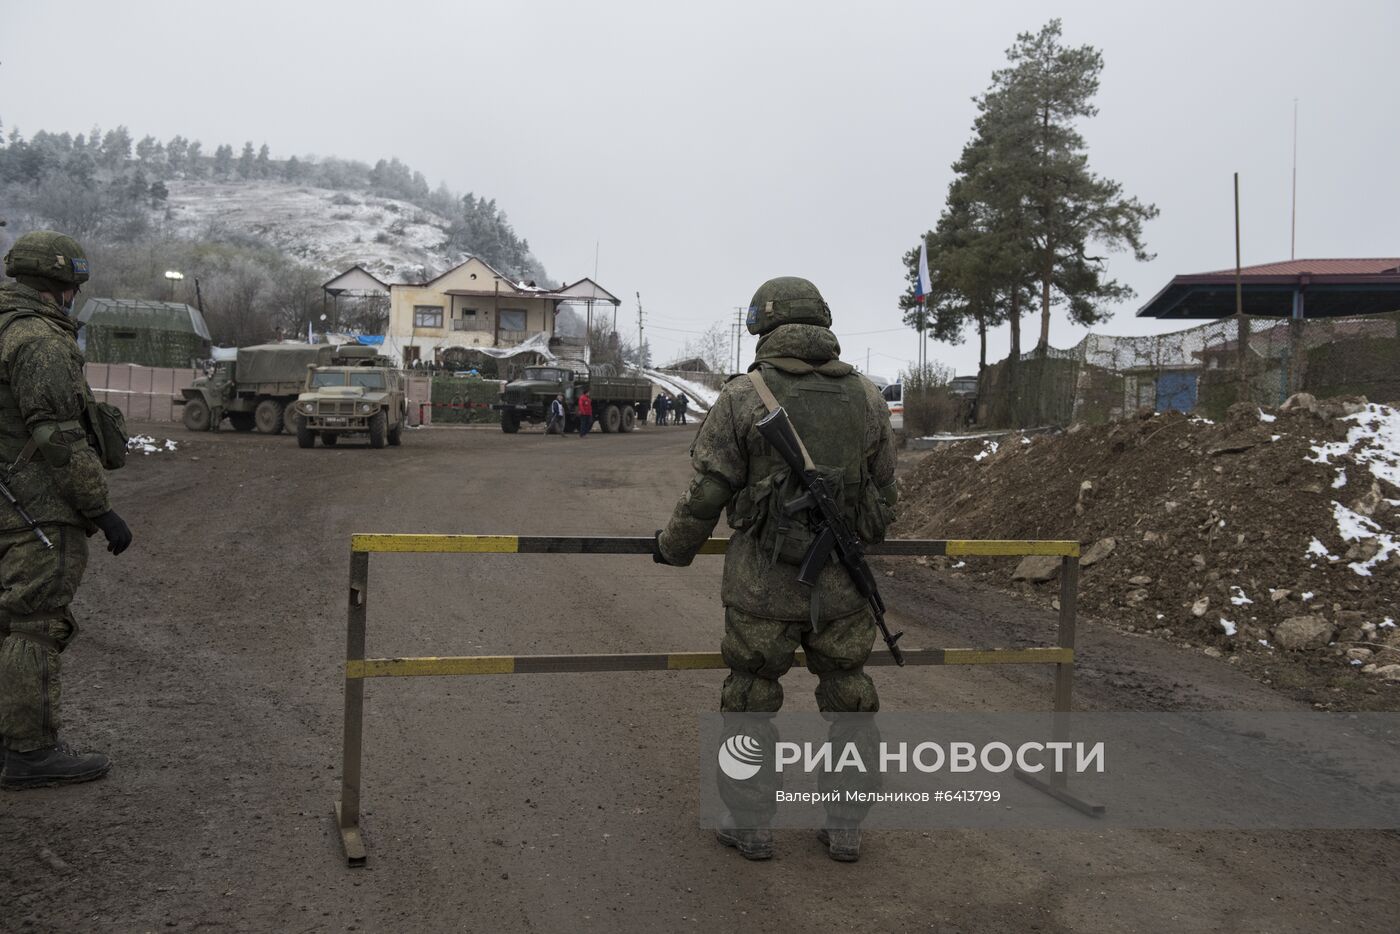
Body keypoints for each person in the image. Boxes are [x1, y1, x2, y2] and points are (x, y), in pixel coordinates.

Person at [653, 277, 896, 862]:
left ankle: (751, 824)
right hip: (842, 587)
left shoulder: (745, 395)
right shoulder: (867, 396)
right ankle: (844, 827)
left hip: (762, 585)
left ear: (764, 326)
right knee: (849, 696)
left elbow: (710, 489)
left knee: (750, 698)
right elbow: (883, 499)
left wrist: (676, 546)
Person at [0, 230, 133, 789]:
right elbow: (58, 436)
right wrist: (101, 511)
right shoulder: (41, 342)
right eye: (72, 287)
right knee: (34, 623)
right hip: (36, 510)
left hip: (9, 499)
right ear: (58, 288)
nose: (74, 297)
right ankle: (31, 753)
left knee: (10, 621)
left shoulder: (8, 330)